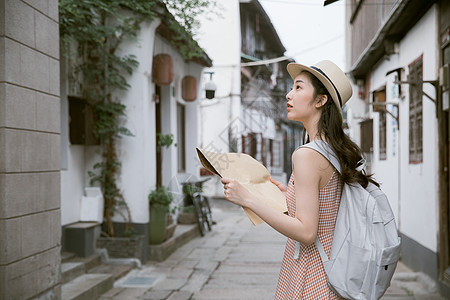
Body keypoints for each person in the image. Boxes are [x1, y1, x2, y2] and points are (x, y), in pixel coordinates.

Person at [221, 60, 378, 299]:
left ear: (320, 100)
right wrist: (288, 195)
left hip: (312, 271)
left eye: (298, 87)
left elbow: (306, 232)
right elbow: (327, 207)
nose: (288, 94)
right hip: (334, 270)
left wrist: (248, 200)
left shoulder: (307, 154)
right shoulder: (333, 148)